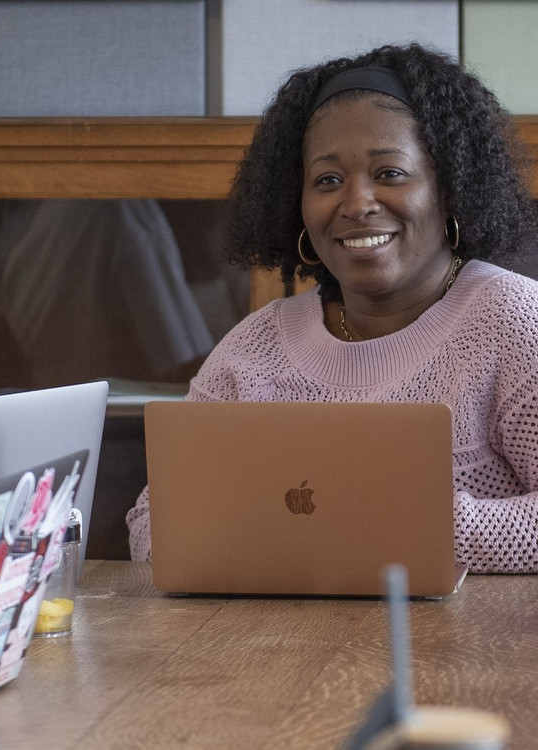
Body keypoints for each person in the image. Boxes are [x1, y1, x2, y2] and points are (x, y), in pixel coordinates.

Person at [126, 44, 538, 574]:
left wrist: (417, 528)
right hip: (268, 651)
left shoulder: (514, 322)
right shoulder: (256, 348)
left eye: (390, 173)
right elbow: (152, 523)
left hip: (459, 653)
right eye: (327, 180)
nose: (356, 202)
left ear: (449, 189)